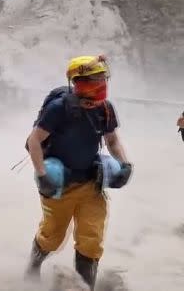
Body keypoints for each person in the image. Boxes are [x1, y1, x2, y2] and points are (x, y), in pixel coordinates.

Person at [24, 55, 133, 290]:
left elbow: (112, 140)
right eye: (92, 82)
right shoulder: (58, 109)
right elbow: (34, 141)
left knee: (91, 240)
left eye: (102, 82)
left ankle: (85, 287)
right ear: (77, 83)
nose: (99, 87)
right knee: (52, 236)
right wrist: (42, 175)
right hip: (59, 183)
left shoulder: (105, 109)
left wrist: (125, 164)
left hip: (91, 183)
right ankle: (33, 266)